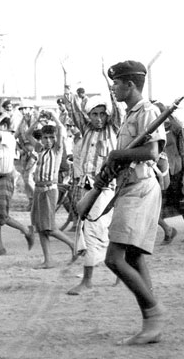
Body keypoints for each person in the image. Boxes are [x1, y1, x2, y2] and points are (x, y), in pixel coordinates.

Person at [90, 60, 167, 345]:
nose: (114, 88)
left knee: (114, 258)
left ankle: (155, 313)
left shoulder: (147, 111)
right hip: (130, 188)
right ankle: (151, 323)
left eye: (117, 83)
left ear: (130, 84)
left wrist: (115, 156)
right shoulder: (131, 113)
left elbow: (151, 151)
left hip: (141, 189)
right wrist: (115, 162)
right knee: (133, 257)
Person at [63, 67, 122, 293]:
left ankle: (87, 281)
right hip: (85, 185)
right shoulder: (86, 130)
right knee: (90, 229)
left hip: (105, 187)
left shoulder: (113, 128)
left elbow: (116, 109)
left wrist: (109, 82)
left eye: (101, 114)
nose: (98, 118)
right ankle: (119, 273)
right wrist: (67, 81)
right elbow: (73, 108)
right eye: (94, 114)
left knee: (94, 230)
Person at [26, 110, 75, 268]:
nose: (48, 140)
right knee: (40, 228)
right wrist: (37, 120)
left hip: (49, 190)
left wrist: (54, 116)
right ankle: (48, 260)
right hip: (38, 190)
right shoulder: (40, 149)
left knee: (50, 227)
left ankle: (74, 246)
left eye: (51, 137)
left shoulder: (57, 150)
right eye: (45, 137)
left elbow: (60, 129)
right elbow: (27, 134)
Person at [0, 111, 34, 255]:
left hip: (5, 179)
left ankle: (26, 230)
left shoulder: (8, 138)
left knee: (1, 215)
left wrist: (3, 115)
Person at [153, 101, 184, 244]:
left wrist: (169, 112)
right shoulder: (153, 130)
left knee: (181, 201)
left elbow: (179, 130)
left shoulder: (173, 127)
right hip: (161, 172)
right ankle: (168, 231)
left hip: (176, 170)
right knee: (158, 204)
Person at [15, 100, 38, 211]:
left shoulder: (36, 121)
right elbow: (15, 136)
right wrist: (19, 149)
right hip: (25, 153)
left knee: (29, 178)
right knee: (25, 179)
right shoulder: (21, 122)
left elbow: (39, 137)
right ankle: (31, 200)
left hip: (34, 152)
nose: (24, 111)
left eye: (26, 108)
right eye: (22, 109)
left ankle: (37, 200)